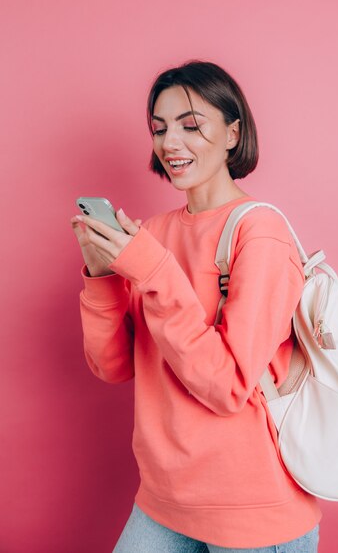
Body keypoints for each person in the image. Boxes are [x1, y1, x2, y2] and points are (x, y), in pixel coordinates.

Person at [71, 60, 321, 553]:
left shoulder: (260, 233)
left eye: (191, 125)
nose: (170, 143)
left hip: (250, 511)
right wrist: (102, 276)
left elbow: (227, 388)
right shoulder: (155, 234)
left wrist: (153, 270)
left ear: (233, 133)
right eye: (159, 129)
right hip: (163, 500)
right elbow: (115, 367)